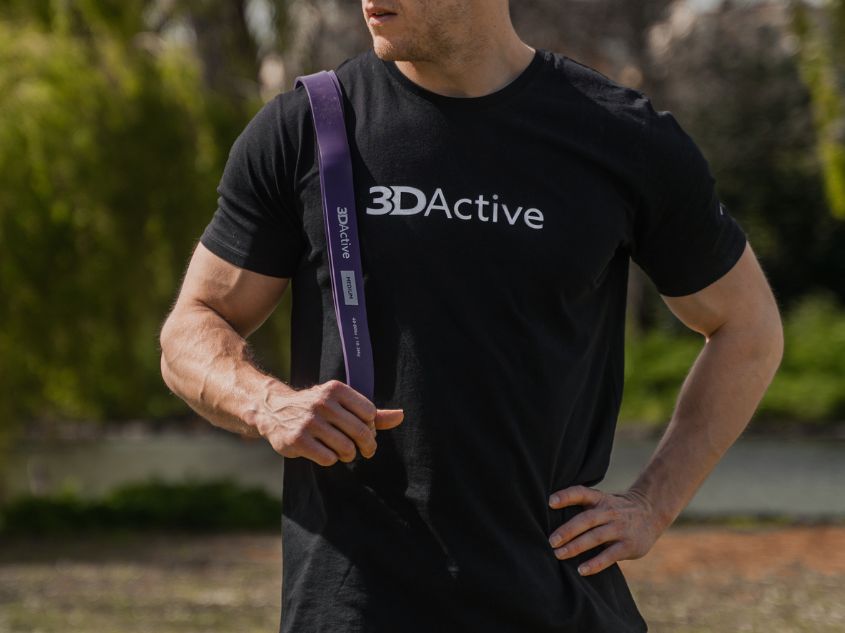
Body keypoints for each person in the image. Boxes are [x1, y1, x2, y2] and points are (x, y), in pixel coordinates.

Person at [158, 1, 784, 631]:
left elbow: (747, 329)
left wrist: (652, 503)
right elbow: (193, 324)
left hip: (558, 604)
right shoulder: (308, 127)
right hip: (354, 608)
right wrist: (267, 404)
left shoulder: (624, 138)